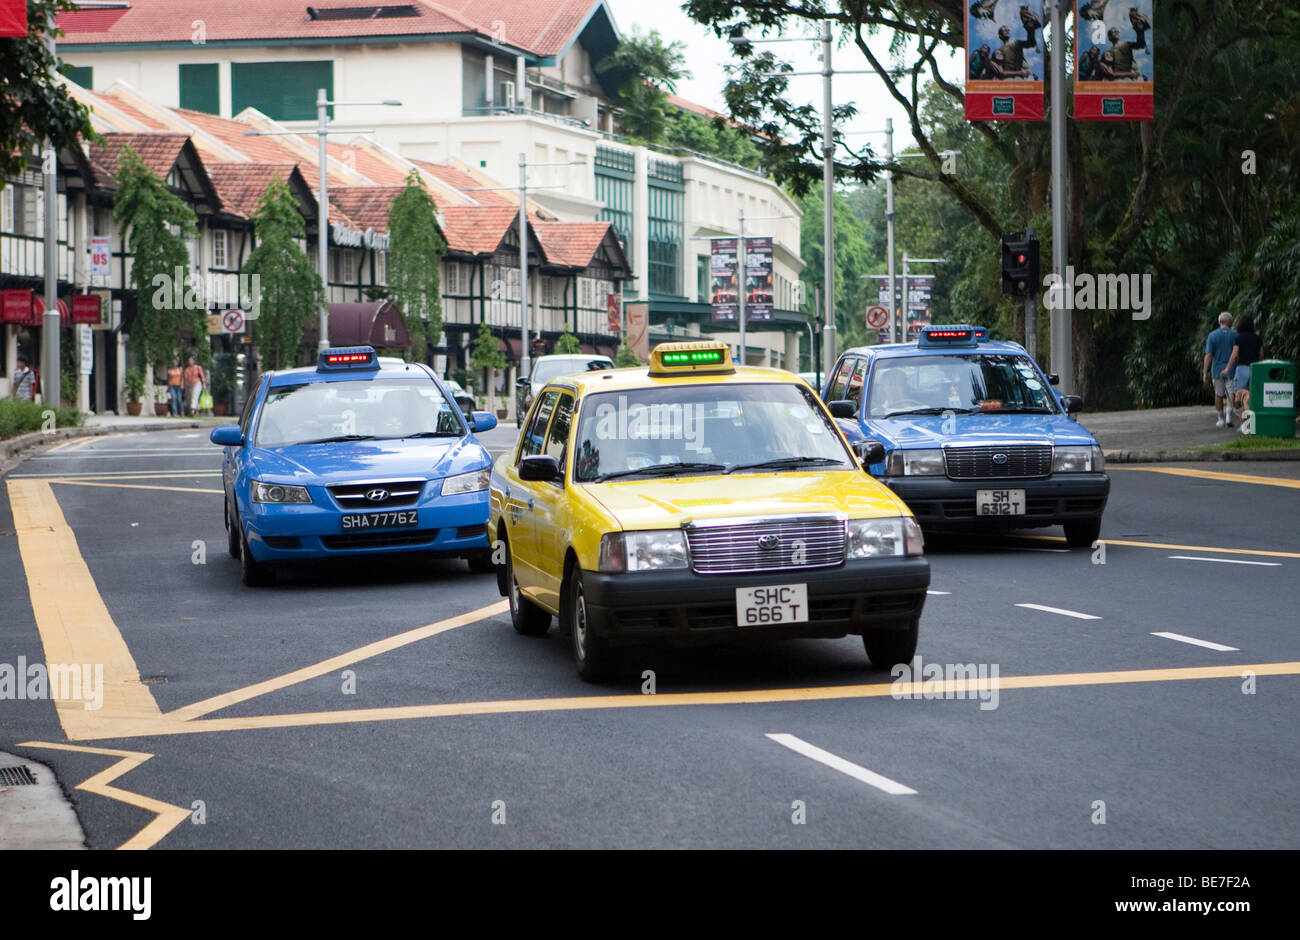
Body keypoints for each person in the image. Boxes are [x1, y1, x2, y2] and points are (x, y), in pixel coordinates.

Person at [1221, 315, 1263, 428]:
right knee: (1252, 397)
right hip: (1255, 369)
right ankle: (1253, 424)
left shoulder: (1239, 338)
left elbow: (1234, 355)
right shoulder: (1258, 338)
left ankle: (1244, 425)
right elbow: (1261, 356)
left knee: (1239, 398)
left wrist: (1227, 368)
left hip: (1242, 369)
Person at [1202, 312, 1237, 427]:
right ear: (1230, 322)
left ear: (1219, 322)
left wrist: (1205, 371)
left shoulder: (1212, 335)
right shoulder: (1235, 335)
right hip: (1232, 369)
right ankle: (1229, 416)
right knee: (1230, 393)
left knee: (1218, 394)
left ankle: (1220, 418)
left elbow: (1208, 355)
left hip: (1217, 369)